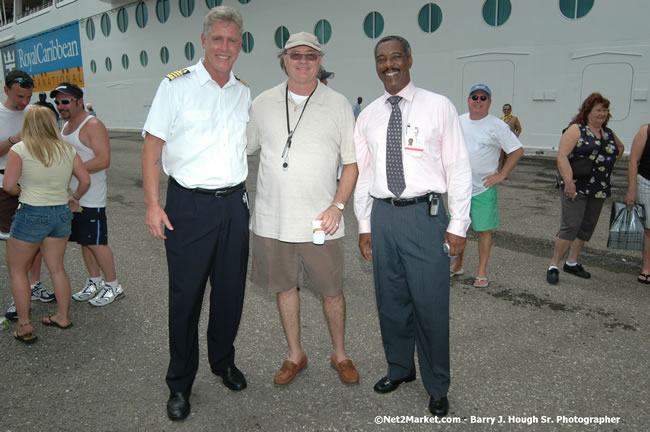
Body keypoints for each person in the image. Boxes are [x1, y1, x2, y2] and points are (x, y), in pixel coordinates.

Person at [354, 35, 472, 417]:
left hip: (426, 216)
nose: (389, 64)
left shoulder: (438, 106)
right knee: (391, 301)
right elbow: (364, 173)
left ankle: (437, 384)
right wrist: (364, 224)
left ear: (409, 60)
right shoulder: (368, 115)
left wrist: (458, 224)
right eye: (381, 59)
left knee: (430, 305)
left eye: (395, 57)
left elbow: (458, 167)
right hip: (384, 216)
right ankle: (400, 368)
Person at [142, 6, 250, 421]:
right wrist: (153, 205)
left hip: (234, 205)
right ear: (203, 41)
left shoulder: (242, 90)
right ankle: (180, 382)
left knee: (230, 295)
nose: (225, 47)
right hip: (188, 205)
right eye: (218, 39)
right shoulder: (176, 86)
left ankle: (223, 362)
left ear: (240, 46)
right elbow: (152, 148)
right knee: (185, 298)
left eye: (232, 41)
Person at [247, 32, 359, 387]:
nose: (303, 61)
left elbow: (352, 163)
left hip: (320, 222)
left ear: (320, 61)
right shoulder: (262, 103)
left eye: (311, 56)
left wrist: (338, 206)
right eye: (296, 55)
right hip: (273, 221)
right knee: (284, 288)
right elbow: (241, 149)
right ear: (284, 59)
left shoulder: (338, 104)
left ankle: (339, 354)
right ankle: (296, 354)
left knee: (331, 290)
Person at [3, 106, 89, 344]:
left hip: (31, 212)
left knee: (18, 270)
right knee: (57, 267)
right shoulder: (66, 149)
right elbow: (85, 180)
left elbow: (9, 186)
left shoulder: (20, 149)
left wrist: (25, 189)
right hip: (61, 212)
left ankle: (24, 325)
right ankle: (62, 316)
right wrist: (75, 199)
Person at [51, 82, 124, 307]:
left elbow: (103, 160)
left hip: (91, 195)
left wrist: (72, 169)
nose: (61, 106)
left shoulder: (93, 125)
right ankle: (94, 282)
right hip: (73, 195)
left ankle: (113, 285)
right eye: (58, 102)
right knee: (84, 241)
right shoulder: (65, 126)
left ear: (79, 102)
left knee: (97, 242)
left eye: (65, 101)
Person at [450, 84, 524, 287]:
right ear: (468, 100)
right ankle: (457, 264)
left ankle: (481, 271)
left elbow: (517, 151)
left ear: (490, 103)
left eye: (483, 98)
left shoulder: (497, 125)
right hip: (459, 188)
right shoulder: (458, 121)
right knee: (458, 228)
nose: (478, 101)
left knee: (484, 230)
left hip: (483, 188)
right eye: (475, 97)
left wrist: (501, 175)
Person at [546, 93, 624, 285]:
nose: (602, 113)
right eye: (598, 110)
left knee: (586, 226)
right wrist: (569, 181)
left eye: (605, 110)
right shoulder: (576, 130)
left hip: (599, 187)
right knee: (571, 225)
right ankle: (554, 265)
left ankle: (572, 262)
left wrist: (606, 165)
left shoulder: (608, 133)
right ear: (587, 112)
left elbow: (619, 148)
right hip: (576, 185)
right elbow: (562, 156)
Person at [0, 70, 49, 319]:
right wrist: (14, 139)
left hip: (32, 183)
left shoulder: (32, 113)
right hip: (6, 186)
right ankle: (17, 298)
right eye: (20, 96)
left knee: (37, 238)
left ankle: (34, 285)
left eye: (28, 96)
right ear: (6, 90)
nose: (24, 103)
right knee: (15, 244)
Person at [624, 124, 650, 284]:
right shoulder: (646, 131)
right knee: (648, 229)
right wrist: (632, 189)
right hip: (646, 183)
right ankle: (647, 268)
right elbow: (633, 161)